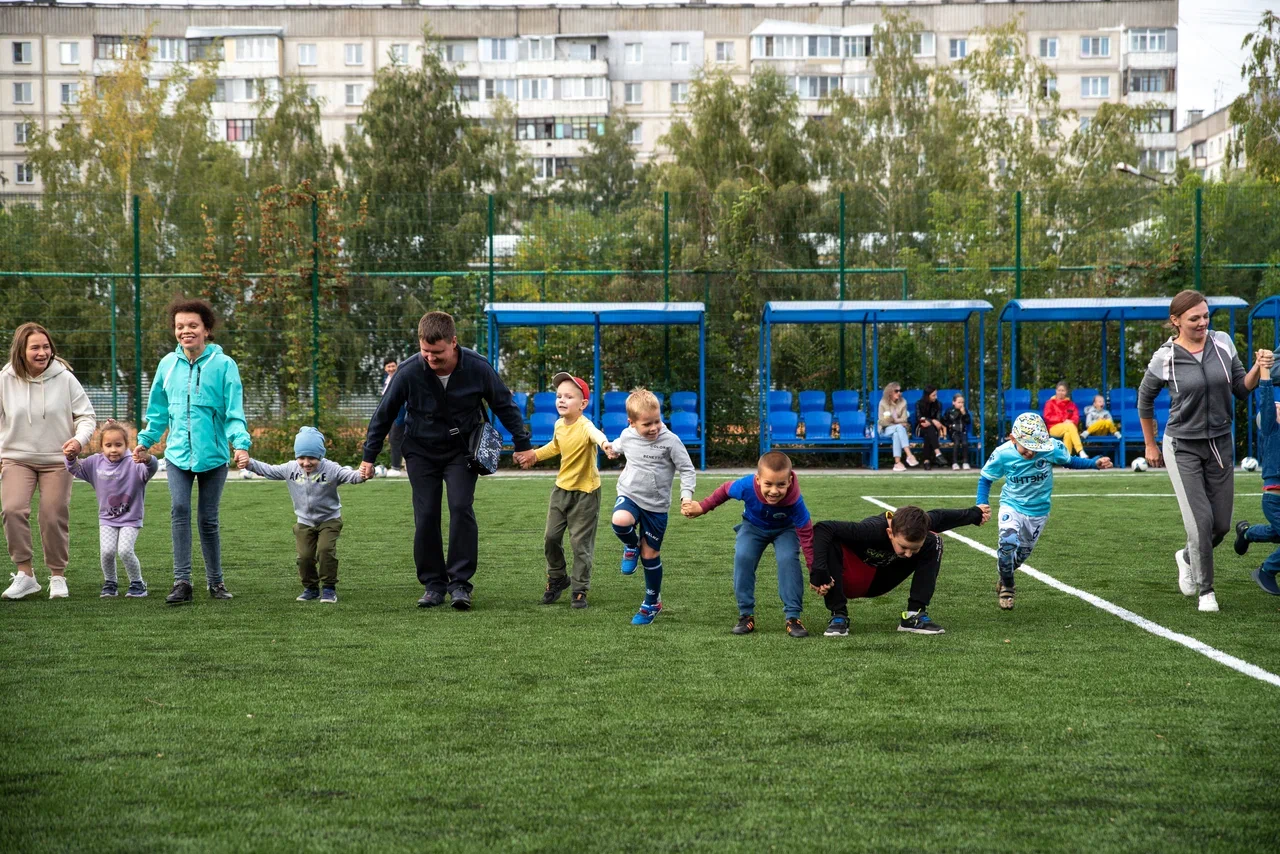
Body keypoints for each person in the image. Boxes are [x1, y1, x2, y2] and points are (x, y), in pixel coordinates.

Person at [361, 311, 530, 611]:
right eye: (425, 351)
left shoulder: (477, 367)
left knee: (461, 507)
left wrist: (523, 444)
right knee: (426, 514)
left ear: (453, 342)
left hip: (461, 451)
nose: (430, 358)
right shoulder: (409, 371)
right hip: (420, 450)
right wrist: (368, 457)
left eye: (437, 352)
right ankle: (433, 585)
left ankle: (460, 584)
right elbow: (384, 414)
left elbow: (504, 404)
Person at [1139, 289, 1262, 613]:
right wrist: (1150, 444)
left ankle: (1187, 557)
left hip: (1220, 444)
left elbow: (1241, 388)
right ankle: (1206, 591)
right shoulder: (1165, 357)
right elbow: (1144, 399)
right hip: (1182, 447)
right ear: (1176, 321)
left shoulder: (1222, 343)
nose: (1203, 323)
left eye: (1206, 316)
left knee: (1221, 526)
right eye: (1195, 318)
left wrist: (1257, 369)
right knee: (1200, 523)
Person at [136, 297, 251, 606]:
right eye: (179, 326)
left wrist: (240, 444)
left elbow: (233, 413)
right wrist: (146, 440)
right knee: (179, 511)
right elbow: (158, 411)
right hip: (177, 455)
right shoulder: (167, 365)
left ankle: (216, 582)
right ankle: (182, 582)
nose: (185, 331)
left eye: (192, 325)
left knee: (208, 519)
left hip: (213, 456)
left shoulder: (224, 365)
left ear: (206, 329)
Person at [976, 412, 1112, 611]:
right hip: (1012, 505)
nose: (1031, 453)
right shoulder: (1002, 453)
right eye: (1026, 447)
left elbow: (1069, 461)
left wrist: (1094, 463)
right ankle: (1008, 586)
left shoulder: (1051, 448)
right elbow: (986, 479)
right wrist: (981, 503)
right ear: (1013, 439)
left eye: (1035, 448)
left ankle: (1004, 575)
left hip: (1039, 511)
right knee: (1007, 543)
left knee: (1020, 555)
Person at [0, 323, 96, 600]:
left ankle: (57, 575)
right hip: (16, 458)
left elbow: (86, 416)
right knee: (12, 510)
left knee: (52, 515)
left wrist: (78, 440)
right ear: (21, 351)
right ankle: (25, 574)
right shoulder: (5, 379)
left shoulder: (64, 378)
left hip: (58, 459)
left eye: (46, 347)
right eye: (35, 348)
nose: (42, 353)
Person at [682, 451, 814, 638]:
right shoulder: (746, 486)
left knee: (787, 559)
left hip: (785, 530)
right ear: (758, 480)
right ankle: (746, 615)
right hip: (753, 527)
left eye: (781, 484)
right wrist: (703, 507)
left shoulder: (795, 501)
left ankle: (793, 617)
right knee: (743, 556)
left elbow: (807, 536)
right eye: (768, 484)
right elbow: (725, 490)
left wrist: (815, 571)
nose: (774, 491)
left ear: (789, 481)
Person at [808, 503, 988, 637]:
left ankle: (913, 615)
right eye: (903, 547)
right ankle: (838, 616)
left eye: (914, 549)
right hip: (848, 579)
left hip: (880, 579)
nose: (908, 554)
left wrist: (975, 514)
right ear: (890, 533)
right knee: (832, 541)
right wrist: (819, 573)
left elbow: (940, 517)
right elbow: (823, 528)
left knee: (934, 541)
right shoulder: (871, 529)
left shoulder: (919, 526)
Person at [513, 372, 612, 609]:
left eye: (569, 396)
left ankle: (579, 589)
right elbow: (555, 446)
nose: (562, 400)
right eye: (559, 396)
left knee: (580, 544)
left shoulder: (585, 426)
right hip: (561, 490)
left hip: (586, 493)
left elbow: (596, 435)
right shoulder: (559, 425)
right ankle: (557, 577)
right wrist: (534, 455)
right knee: (551, 538)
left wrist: (605, 444)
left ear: (583, 404)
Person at [240, 426, 365, 604]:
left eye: (312, 458)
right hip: (304, 522)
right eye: (301, 458)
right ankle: (311, 588)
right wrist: (249, 463)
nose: (306, 463)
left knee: (325, 551)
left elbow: (351, 476)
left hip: (329, 519)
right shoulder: (290, 469)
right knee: (304, 557)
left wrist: (363, 474)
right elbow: (268, 470)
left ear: (321, 455)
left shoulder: (331, 469)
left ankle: (329, 588)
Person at [607, 388, 697, 626]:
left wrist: (686, 497)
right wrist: (611, 449)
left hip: (656, 506)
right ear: (632, 423)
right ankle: (630, 545)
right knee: (620, 521)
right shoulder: (628, 435)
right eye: (647, 424)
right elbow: (618, 444)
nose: (654, 427)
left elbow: (687, 469)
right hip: (630, 494)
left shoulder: (670, 441)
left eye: (657, 421)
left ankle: (651, 602)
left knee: (650, 555)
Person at [66, 421, 159, 598]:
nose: (113, 449)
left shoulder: (134, 463)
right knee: (107, 552)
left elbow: (151, 467)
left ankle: (137, 583)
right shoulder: (95, 463)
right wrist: (70, 457)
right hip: (107, 519)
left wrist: (147, 458)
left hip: (130, 518)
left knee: (125, 550)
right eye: (108, 445)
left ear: (127, 444)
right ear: (101, 446)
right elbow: (75, 468)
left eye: (118, 445)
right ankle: (110, 583)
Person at [1233, 349, 1280, 596]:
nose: (1278, 406)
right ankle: (1266, 571)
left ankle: (1247, 533)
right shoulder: (1272, 429)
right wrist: (1264, 369)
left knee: (1276, 534)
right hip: (1275, 500)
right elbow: (1266, 396)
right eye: (1276, 407)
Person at [878, 382, 918, 472]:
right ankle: (909, 455)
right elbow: (882, 422)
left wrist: (893, 420)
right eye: (896, 391)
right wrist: (897, 422)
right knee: (899, 427)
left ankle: (897, 463)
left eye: (900, 391)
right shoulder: (882, 403)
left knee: (896, 434)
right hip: (885, 429)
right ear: (890, 392)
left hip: (897, 430)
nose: (899, 393)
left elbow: (905, 419)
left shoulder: (903, 402)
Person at [1043, 381, 1087, 459]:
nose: (1060, 392)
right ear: (1056, 391)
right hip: (1053, 427)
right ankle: (1080, 450)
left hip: (1068, 427)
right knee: (1070, 426)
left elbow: (1076, 417)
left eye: (1063, 390)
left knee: (1068, 434)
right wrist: (1063, 420)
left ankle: (1066, 458)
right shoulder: (1049, 403)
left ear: (1066, 392)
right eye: (1059, 390)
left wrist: (1071, 421)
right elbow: (1047, 417)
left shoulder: (1071, 404)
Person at [382, 358, 406, 477]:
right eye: (388, 366)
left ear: (397, 367)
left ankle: (396, 467)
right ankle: (404, 464)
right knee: (397, 440)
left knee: (395, 440)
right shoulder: (386, 380)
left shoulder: (400, 379)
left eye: (393, 366)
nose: (391, 369)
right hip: (390, 417)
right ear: (385, 368)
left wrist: (400, 419)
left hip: (399, 417)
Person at [914, 386, 946, 470]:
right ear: (927, 395)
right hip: (920, 428)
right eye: (933, 395)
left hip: (933, 429)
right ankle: (937, 453)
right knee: (929, 429)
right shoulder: (919, 404)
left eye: (936, 395)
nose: (936, 397)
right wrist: (932, 420)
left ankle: (927, 461)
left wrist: (930, 422)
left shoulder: (938, 404)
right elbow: (919, 418)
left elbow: (938, 420)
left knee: (929, 432)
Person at [942, 393, 972, 470]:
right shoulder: (949, 410)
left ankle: (965, 462)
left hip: (963, 431)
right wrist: (949, 425)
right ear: (953, 402)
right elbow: (944, 420)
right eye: (959, 402)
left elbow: (968, 421)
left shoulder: (964, 411)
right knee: (957, 443)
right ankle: (955, 463)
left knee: (965, 443)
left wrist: (964, 414)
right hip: (953, 432)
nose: (961, 404)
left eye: (962, 402)